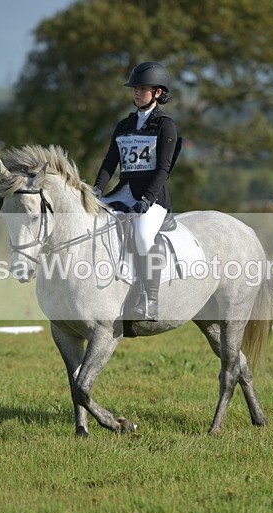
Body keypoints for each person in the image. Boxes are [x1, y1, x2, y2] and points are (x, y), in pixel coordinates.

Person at [93, 61, 180, 321]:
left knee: (142, 236)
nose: (137, 93)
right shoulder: (124, 125)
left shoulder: (165, 125)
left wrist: (147, 199)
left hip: (152, 197)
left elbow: (163, 168)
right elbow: (110, 162)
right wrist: (97, 189)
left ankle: (151, 300)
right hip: (123, 191)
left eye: (143, 89)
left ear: (157, 93)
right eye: (135, 89)